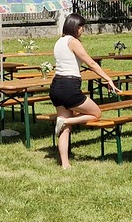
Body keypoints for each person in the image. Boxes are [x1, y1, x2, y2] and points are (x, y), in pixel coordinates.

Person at [49, 14, 120, 169]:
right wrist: (108, 79)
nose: (83, 30)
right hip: (69, 87)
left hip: (56, 86)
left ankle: (65, 164)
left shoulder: (59, 42)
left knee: (64, 130)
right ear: (76, 27)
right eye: (81, 27)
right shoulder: (73, 42)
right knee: (96, 113)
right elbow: (91, 63)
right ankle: (65, 121)